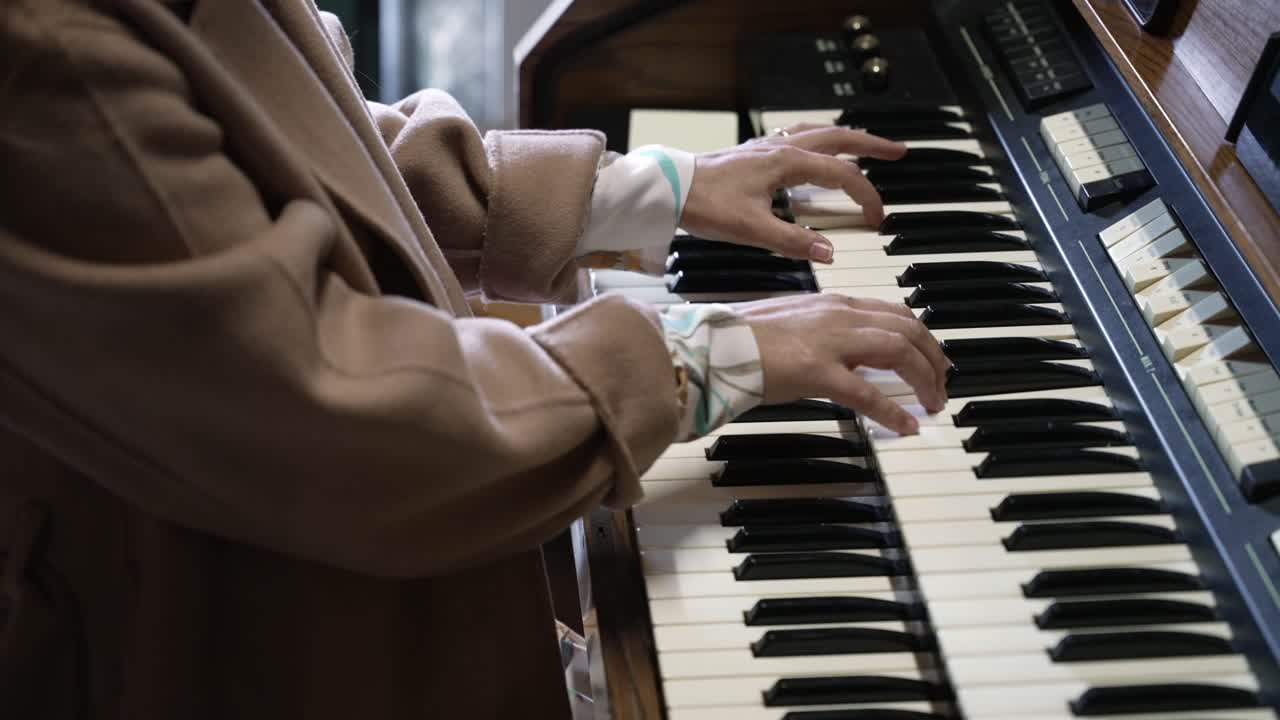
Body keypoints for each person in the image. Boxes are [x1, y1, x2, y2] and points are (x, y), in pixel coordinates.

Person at [0, 0, 948, 718]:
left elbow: (265, 130)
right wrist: (696, 359)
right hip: (203, 610)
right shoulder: (39, 43)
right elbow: (338, 425)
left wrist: (642, 189)